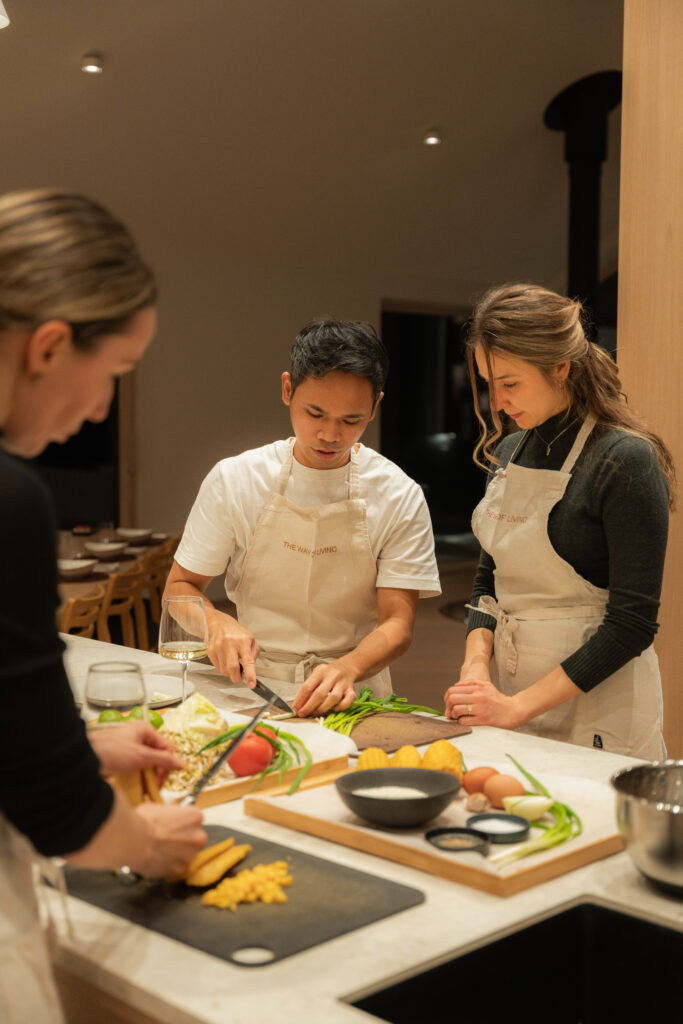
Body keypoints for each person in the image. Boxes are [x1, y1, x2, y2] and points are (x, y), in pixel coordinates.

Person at [0, 188, 206, 1024]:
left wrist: (77, 740)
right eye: (114, 375)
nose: (99, 410)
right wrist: (152, 844)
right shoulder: (10, 500)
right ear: (49, 346)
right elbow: (62, 816)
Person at [444, 282, 674, 759]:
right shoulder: (509, 451)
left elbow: (631, 624)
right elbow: (488, 583)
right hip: (508, 699)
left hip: (601, 710)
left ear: (561, 367)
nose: (497, 403)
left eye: (510, 384)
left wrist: (517, 707)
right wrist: (475, 672)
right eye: (489, 384)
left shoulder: (624, 459)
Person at [165, 318, 441, 717]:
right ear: (287, 389)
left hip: (353, 689)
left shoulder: (399, 494)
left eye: (352, 420)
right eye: (316, 413)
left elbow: (397, 624)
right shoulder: (236, 479)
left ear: (377, 405)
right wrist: (214, 624)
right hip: (251, 682)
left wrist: (348, 668)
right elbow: (179, 588)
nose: (330, 435)